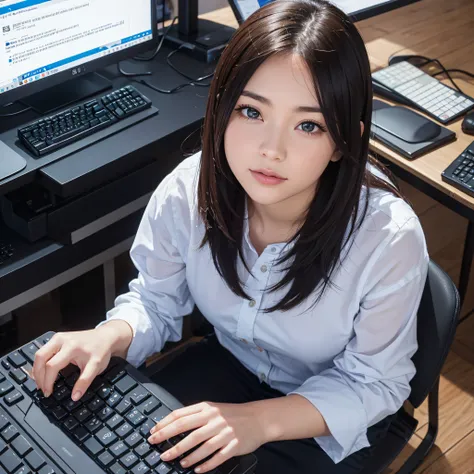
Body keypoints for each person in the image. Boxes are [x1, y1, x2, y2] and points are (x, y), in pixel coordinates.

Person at [31, 0, 429, 473]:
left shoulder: (388, 239)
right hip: (227, 367)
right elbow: (156, 301)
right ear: (222, 107)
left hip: (325, 410)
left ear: (344, 139)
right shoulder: (189, 187)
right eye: (251, 111)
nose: (270, 150)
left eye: (308, 125)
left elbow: (374, 385)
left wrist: (259, 421)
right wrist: (110, 335)